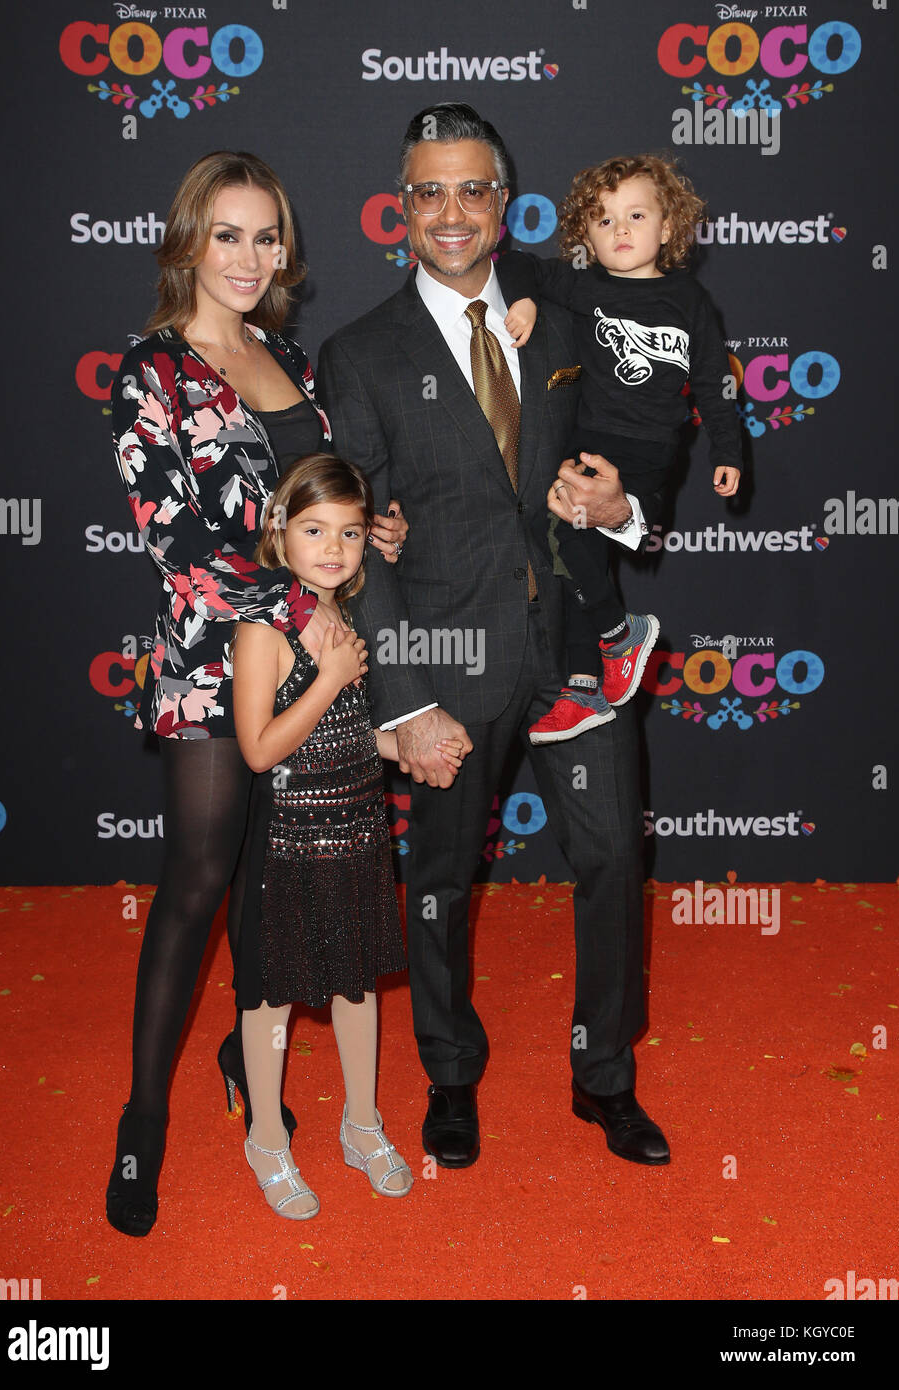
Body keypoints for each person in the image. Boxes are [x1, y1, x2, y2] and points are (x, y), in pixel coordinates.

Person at [317, 104, 669, 1171]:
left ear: (503, 200)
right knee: (437, 879)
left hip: (572, 646)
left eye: (473, 189)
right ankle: (449, 1073)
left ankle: (602, 1075)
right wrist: (408, 700)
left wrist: (622, 511)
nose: (453, 212)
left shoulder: (566, 320)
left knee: (611, 857)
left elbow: (634, 448)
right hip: (446, 660)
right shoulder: (360, 351)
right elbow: (353, 543)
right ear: (402, 206)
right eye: (430, 191)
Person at [106, 151, 407, 1237]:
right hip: (211, 659)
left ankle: (248, 1048)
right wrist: (292, 606)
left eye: (266, 235)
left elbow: (300, 505)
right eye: (227, 233)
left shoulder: (284, 355)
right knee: (196, 881)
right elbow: (174, 541)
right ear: (189, 240)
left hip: (312, 659)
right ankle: (143, 1121)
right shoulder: (148, 371)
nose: (249, 255)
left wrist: (362, 531)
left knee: (270, 885)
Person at [231, 454, 464, 1217]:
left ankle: (360, 1122)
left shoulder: (348, 619)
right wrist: (329, 677)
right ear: (279, 533)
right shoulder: (262, 632)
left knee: (355, 983)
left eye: (351, 533)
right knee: (271, 999)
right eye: (314, 529)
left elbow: (349, 733)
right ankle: (266, 1134)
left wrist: (411, 750)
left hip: (358, 827)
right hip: (287, 842)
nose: (333, 548)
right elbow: (261, 750)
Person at [497, 155, 742, 743]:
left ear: (668, 227)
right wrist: (526, 300)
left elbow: (712, 382)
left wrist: (728, 452)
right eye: (604, 222)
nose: (622, 231)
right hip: (595, 440)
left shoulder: (689, 299)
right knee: (572, 550)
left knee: (565, 534)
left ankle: (616, 635)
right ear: (587, 237)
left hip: (652, 450)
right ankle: (584, 687)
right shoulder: (587, 288)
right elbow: (516, 261)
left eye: (636, 215)